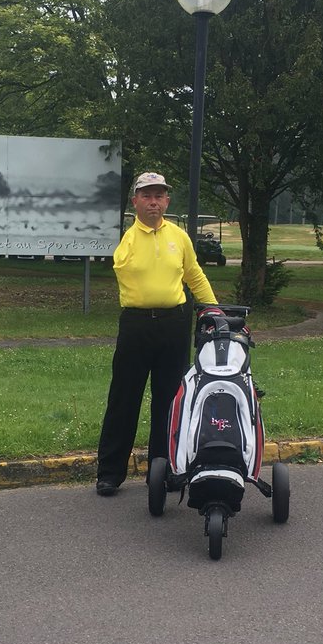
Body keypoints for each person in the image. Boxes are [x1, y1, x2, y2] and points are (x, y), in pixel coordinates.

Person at [95, 171, 218, 496]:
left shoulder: (180, 237)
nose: (153, 201)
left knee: (170, 400)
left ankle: (165, 470)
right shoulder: (127, 240)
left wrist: (214, 311)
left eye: (159, 195)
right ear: (135, 200)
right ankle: (109, 473)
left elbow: (195, 275)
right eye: (146, 196)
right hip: (136, 325)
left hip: (174, 324)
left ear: (167, 200)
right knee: (124, 398)